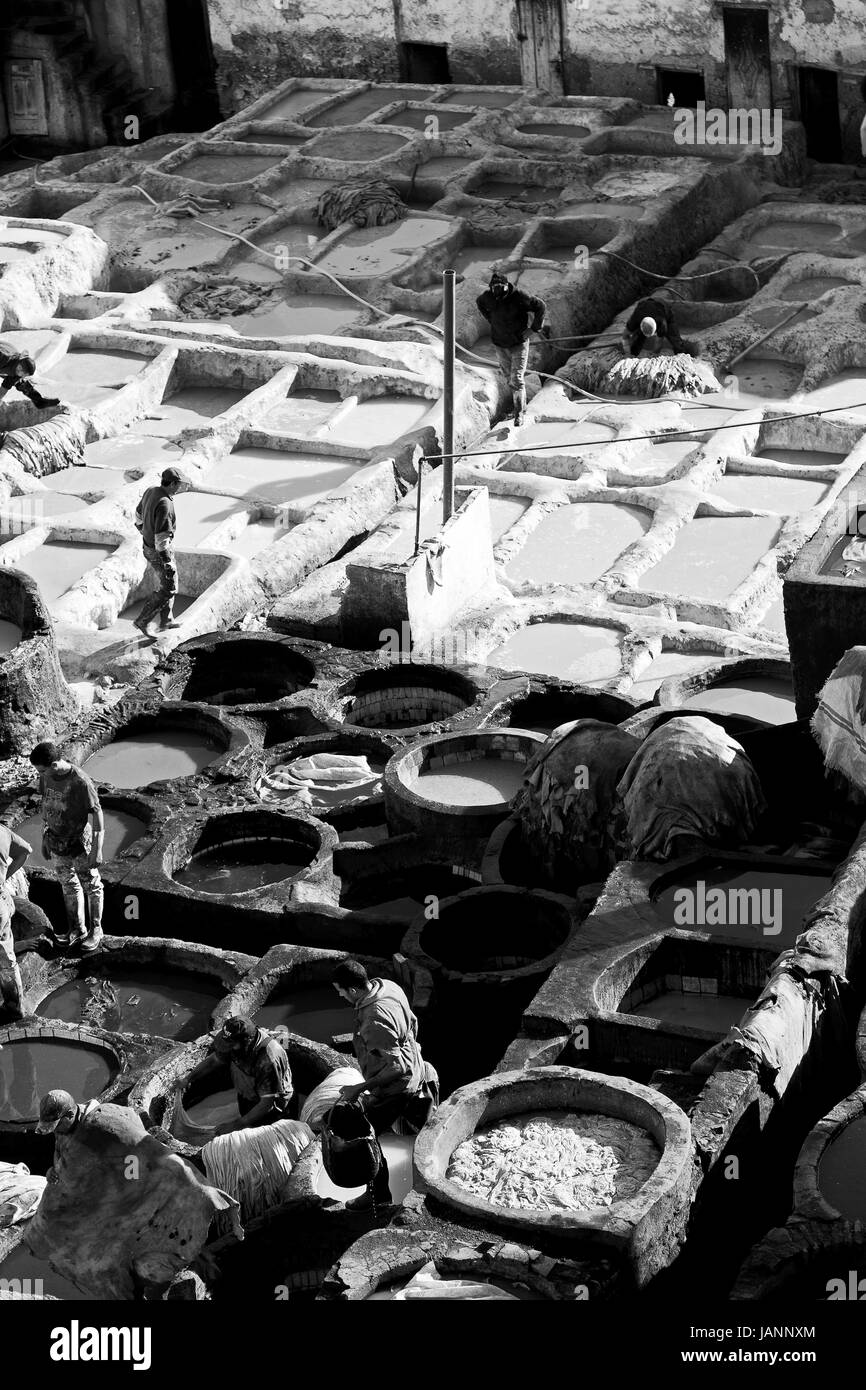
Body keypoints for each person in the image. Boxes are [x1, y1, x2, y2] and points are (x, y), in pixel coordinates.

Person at [333, 959, 438, 1209]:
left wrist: (358, 1088)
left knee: (366, 1136)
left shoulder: (374, 1020)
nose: (339, 995)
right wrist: (411, 1051)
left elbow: (396, 1067)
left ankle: (378, 1197)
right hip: (417, 1072)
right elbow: (412, 1023)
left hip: (397, 1087)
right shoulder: (388, 986)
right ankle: (432, 1185)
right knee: (426, 1133)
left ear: (354, 990)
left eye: (340, 990)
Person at [29, 741, 104, 953]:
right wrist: (44, 838)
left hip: (79, 841)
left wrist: (97, 849)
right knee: (68, 884)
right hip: (56, 839)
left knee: (92, 885)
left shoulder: (80, 782)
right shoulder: (46, 777)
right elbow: (46, 807)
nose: (40, 774)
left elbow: (97, 814)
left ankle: (96, 930)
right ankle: (76, 929)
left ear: (53, 764)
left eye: (42, 770)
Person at [188, 1015, 294, 1135]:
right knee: (246, 1120)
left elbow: (267, 1103)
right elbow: (214, 1060)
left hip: (270, 1109)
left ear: (247, 1041)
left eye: (232, 1045)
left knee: (262, 1136)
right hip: (248, 1094)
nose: (229, 1049)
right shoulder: (235, 1045)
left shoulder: (268, 1058)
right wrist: (187, 1079)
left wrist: (236, 1124)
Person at [475, 271, 548, 426]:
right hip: (500, 344)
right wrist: (492, 320)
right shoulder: (488, 297)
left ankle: (519, 414)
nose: (497, 290)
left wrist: (533, 329)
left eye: (500, 287)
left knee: (517, 380)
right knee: (509, 379)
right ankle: (521, 405)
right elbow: (480, 303)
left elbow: (540, 306)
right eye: (494, 287)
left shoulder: (519, 296)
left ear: (507, 286)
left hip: (518, 344)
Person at [133, 467, 183, 639]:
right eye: (179, 484)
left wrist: (143, 530)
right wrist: (167, 562)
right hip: (158, 551)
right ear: (173, 484)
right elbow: (161, 539)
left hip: (148, 546)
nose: (180, 488)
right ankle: (143, 620)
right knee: (168, 587)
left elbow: (138, 514)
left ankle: (167, 620)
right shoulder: (165, 504)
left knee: (171, 582)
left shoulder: (151, 491)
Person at [0, 822, 32, 1018]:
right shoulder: (2, 831)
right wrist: (5, 878)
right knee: (6, 957)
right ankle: (15, 1007)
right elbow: (26, 850)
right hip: (1, 902)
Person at [0, 343, 63, 412]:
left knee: (20, 383)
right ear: (20, 363)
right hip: (3, 354)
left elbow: (4, 388)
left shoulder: (17, 372)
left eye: (23, 373)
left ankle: (40, 402)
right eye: (20, 369)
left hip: (7, 365)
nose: (20, 372)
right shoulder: (3, 357)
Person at [621, 296, 691, 357]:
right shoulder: (635, 318)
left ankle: (682, 354)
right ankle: (633, 354)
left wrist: (654, 354)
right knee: (638, 338)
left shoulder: (661, 322)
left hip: (663, 308)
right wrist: (628, 353)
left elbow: (658, 342)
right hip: (644, 305)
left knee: (675, 339)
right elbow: (625, 336)